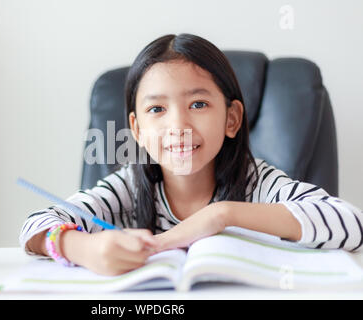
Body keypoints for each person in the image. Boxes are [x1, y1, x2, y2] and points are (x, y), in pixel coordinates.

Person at [20, 33, 363, 276]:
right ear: (137, 130)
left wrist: (223, 215)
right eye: (157, 109)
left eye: (198, 104)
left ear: (231, 119)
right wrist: (84, 249)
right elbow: (35, 226)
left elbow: (352, 223)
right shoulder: (128, 186)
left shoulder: (258, 182)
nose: (178, 125)